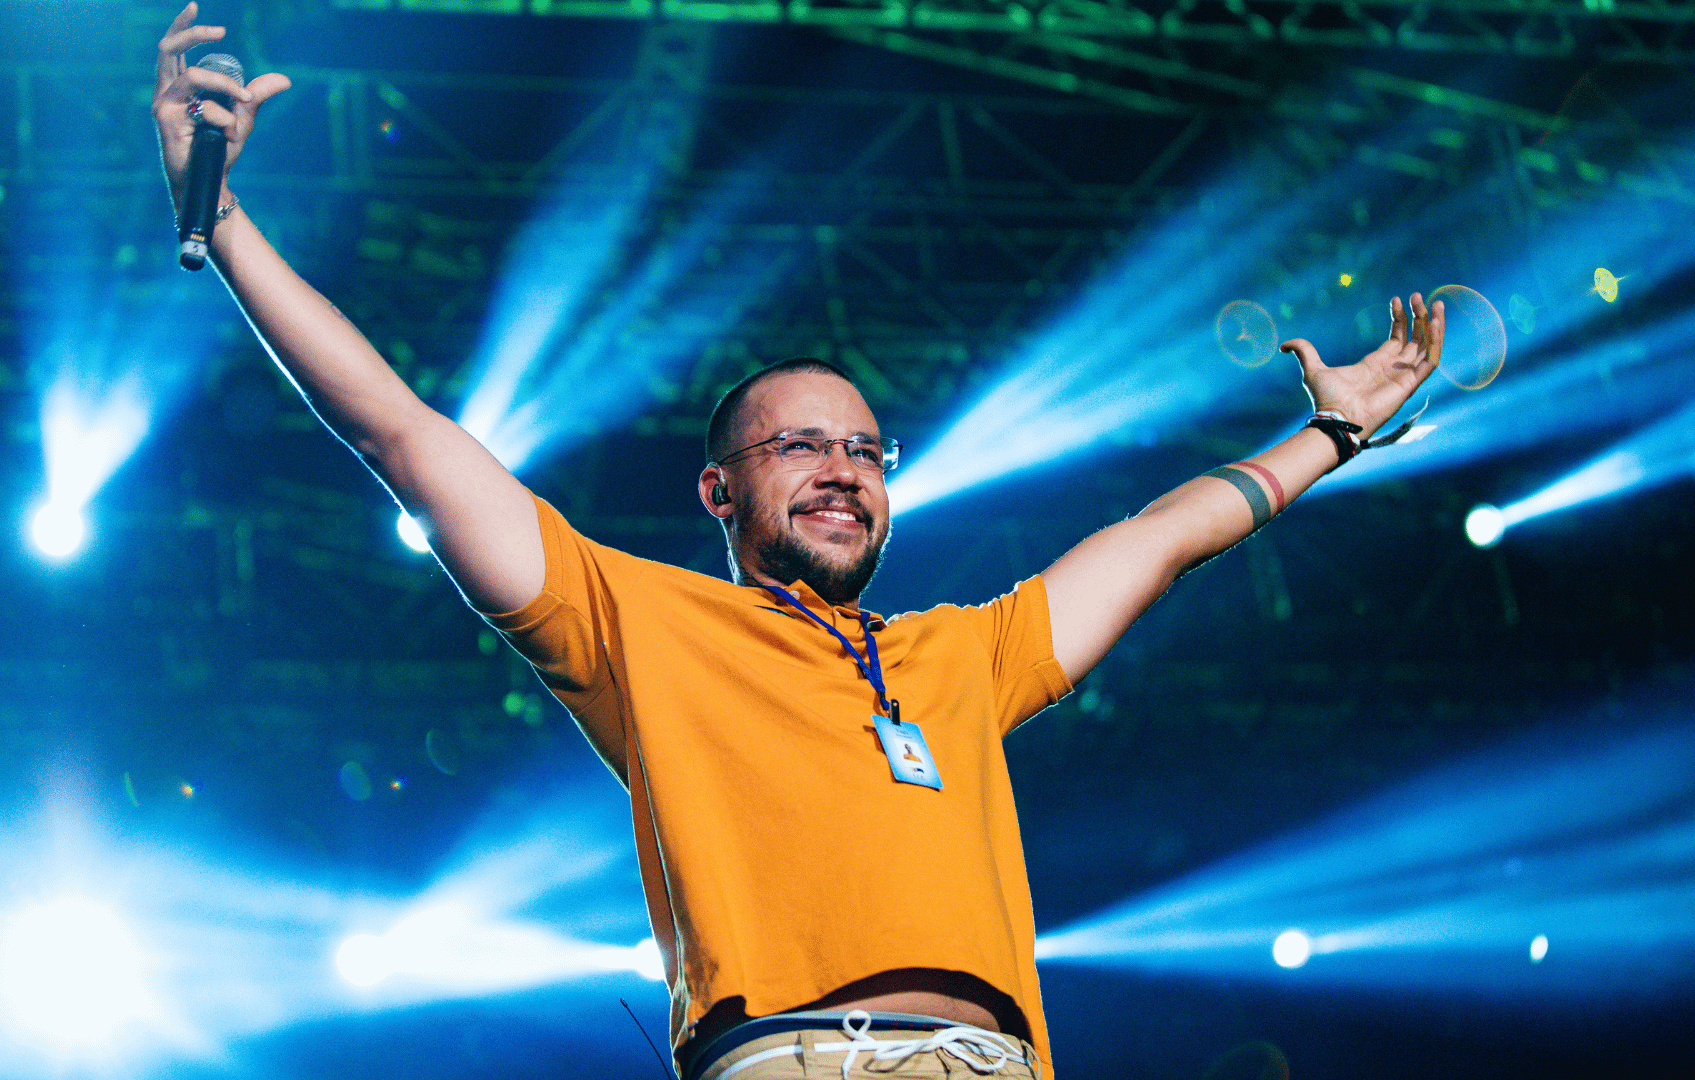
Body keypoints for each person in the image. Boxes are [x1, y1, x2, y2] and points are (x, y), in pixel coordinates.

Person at [152, 6, 1443, 1077]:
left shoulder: (965, 655)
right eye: (801, 446)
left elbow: (1160, 539)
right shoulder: (632, 622)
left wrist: (1328, 437)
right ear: (718, 492)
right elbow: (402, 436)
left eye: (867, 450)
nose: (843, 469)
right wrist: (221, 224)